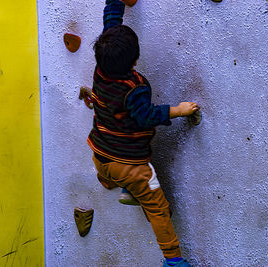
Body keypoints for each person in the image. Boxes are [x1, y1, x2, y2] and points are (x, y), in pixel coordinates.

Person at [87, 0, 199, 266]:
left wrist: (116, 2)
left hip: (100, 157)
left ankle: (125, 188)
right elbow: (146, 115)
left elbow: (111, 21)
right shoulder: (133, 88)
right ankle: (173, 260)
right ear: (135, 60)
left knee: (118, 171)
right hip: (132, 168)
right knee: (158, 209)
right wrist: (179, 110)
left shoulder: (101, 68)